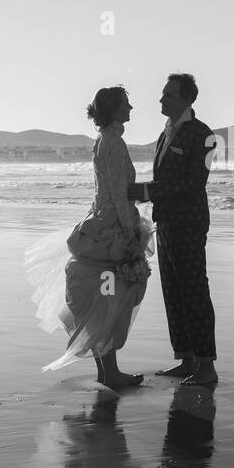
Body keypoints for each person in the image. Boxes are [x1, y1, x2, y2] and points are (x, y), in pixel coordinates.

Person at [25, 86, 153, 388]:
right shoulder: (114, 143)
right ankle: (111, 372)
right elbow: (119, 195)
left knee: (102, 296)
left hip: (99, 221)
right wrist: (129, 235)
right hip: (111, 226)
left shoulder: (103, 141)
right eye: (126, 104)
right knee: (111, 298)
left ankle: (106, 371)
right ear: (113, 109)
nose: (131, 107)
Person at [128, 73, 218, 386]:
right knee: (173, 291)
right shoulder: (165, 133)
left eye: (167, 95)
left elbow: (195, 182)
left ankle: (207, 366)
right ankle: (186, 358)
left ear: (185, 99)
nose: (161, 100)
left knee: (194, 290)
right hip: (165, 220)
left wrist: (147, 191)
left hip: (190, 222)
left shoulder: (203, 134)